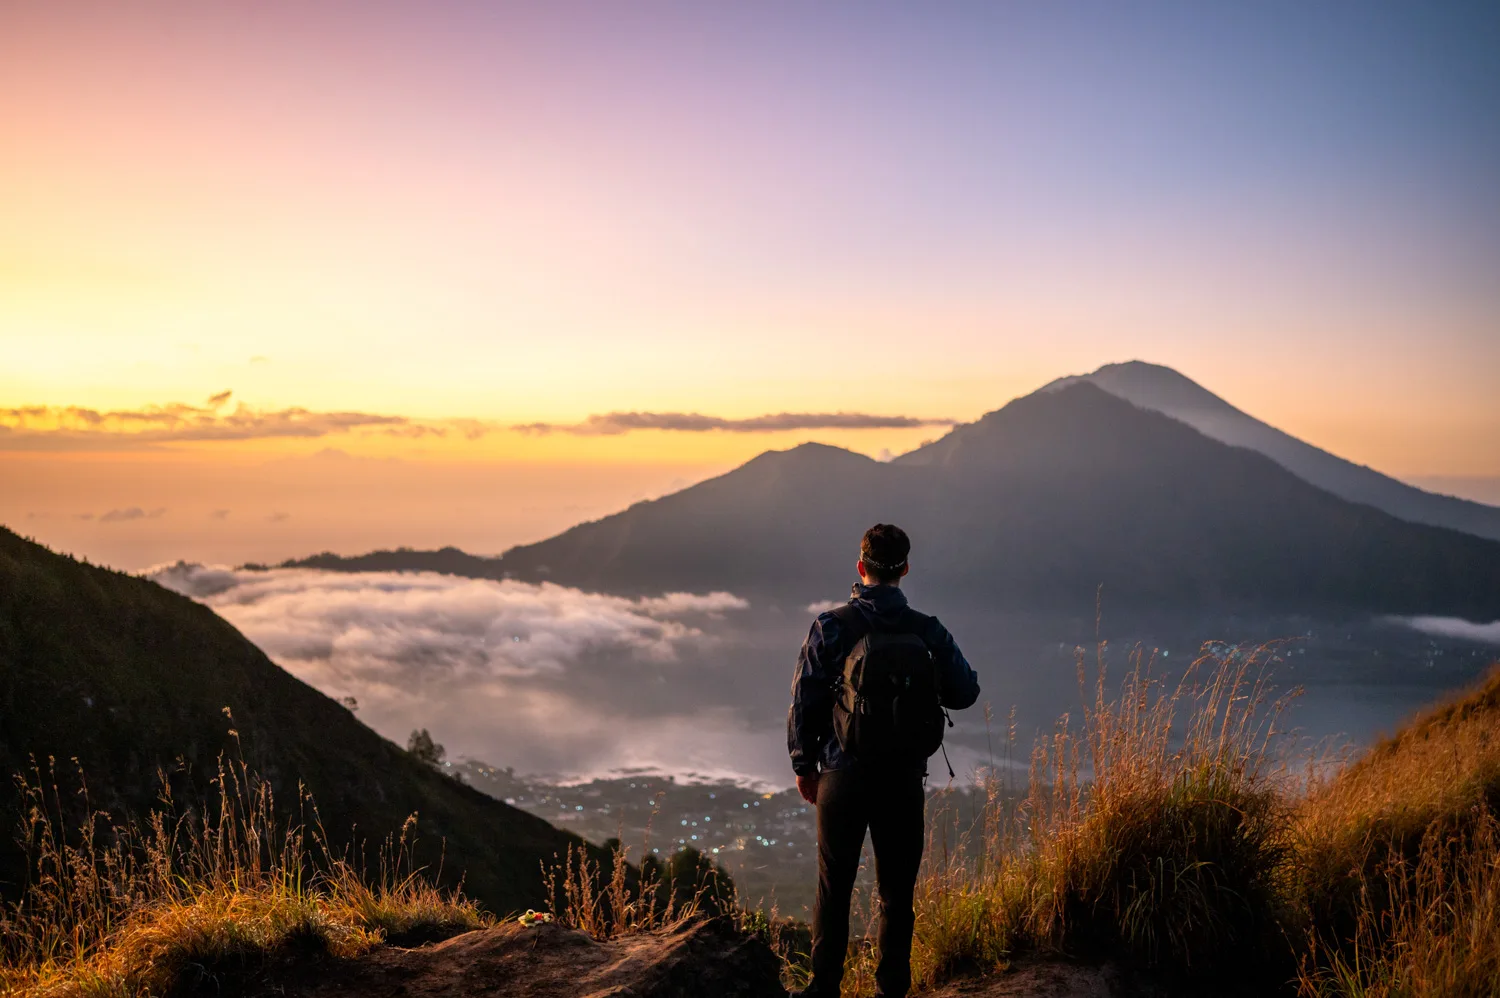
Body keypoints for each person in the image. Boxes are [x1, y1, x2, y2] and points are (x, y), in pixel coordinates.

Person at [786, 523, 980, 998]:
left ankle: (823, 990)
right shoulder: (927, 629)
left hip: (841, 774)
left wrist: (804, 767)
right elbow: (965, 692)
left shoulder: (832, 626)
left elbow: (805, 701)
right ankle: (891, 990)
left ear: (861, 567)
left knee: (834, 887)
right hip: (902, 779)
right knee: (896, 893)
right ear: (905, 569)